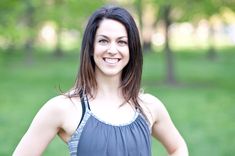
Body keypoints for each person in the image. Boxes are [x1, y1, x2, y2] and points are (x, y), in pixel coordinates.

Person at [13, 5, 188, 156]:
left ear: (132, 49)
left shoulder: (149, 107)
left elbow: (178, 148)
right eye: (103, 41)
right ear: (91, 47)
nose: (112, 50)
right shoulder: (64, 108)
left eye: (121, 42)